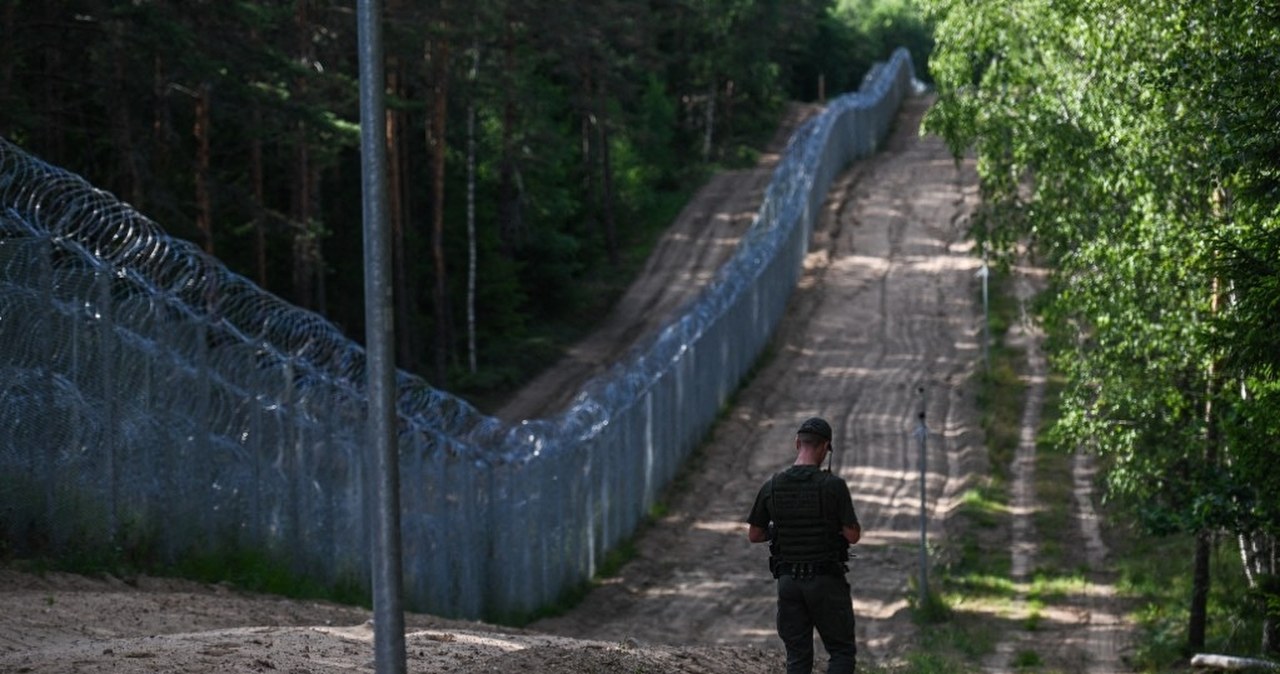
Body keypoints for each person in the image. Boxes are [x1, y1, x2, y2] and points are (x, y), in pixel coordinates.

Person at [747, 417, 861, 674]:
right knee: (841, 653)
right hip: (826, 581)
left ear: (797, 443)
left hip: (788, 583)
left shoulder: (772, 486)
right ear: (825, 448)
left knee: (797, 659)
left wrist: (779, 528)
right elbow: (852, 535)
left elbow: (755, 534)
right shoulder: (833, 486)